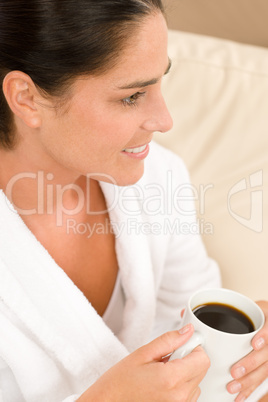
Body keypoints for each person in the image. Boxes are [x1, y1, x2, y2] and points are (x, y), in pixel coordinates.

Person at [0, 1, 267, 401]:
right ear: (26, 98)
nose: (164, 120)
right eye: (132, 96)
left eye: (161, 82)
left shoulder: (157, 178)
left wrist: (246, 358)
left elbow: (196, 335)